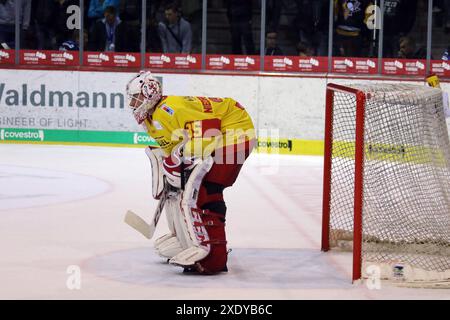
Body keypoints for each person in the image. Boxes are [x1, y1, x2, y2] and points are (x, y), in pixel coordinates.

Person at [125, 71, 256, 274]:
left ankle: (215, 256)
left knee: (207, 189)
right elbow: (175, 148)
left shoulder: (169, 110)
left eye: (137, 98)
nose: (134, 104)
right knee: (182, 189)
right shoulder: (151, 120)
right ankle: (186, 240)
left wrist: (181, 164)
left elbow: (207, 135)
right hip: (221, 134)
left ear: (149, 93)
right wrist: (173, 167)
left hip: (236, 130)